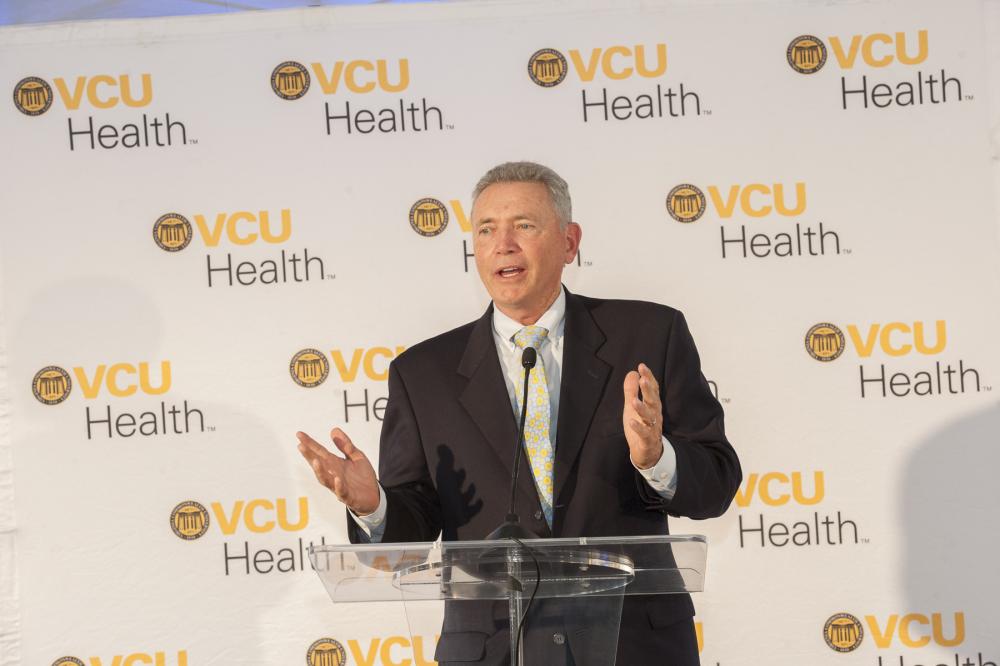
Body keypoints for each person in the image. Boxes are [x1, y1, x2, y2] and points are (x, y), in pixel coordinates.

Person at [297, 161, 741, 665]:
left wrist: (658, 457)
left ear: (569, 242)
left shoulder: (648, 335)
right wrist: (373, 505)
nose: (502, 244)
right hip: (494, 650)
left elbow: (717, 485)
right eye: (486, 230)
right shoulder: (423, 374)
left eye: (523, 226)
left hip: (632, 645)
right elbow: (410, 538)